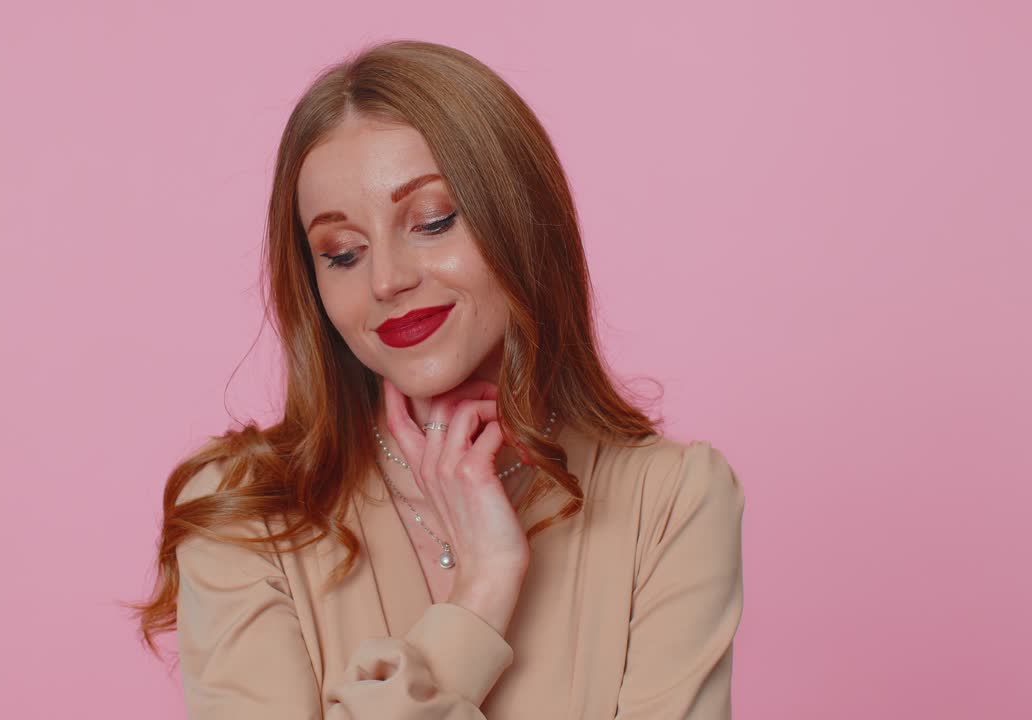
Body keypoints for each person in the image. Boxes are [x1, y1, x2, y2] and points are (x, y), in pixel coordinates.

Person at [129, 40, 746, 719]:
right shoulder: (242, 513)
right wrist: (480, 594)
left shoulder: (672, 500)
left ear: (522, 221)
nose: (387, 279)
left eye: (433, 222)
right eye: (342, 253)